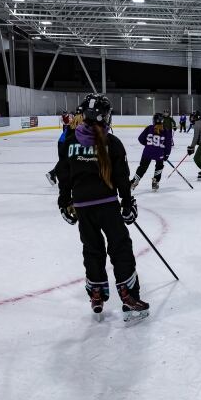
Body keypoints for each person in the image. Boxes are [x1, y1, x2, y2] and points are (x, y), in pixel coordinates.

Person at [55, 93, 149, 323]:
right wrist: (128, 204)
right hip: (107, 207)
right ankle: (129, 296)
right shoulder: (112, 143)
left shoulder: (69, 141)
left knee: (92, 249)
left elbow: (64, 176)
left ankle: (96, 294)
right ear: (105, 116)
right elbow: (121, 177)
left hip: (82, 208)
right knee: (121, 248)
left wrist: (64, 203)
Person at [131, 113, 173, 192]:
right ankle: (155, 182)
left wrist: (148, 145)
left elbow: (140, 139)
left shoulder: (149, 128)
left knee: (142, 167)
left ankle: (134, 181)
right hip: (159, 153)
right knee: (159, 166)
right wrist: (166, 154)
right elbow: (168, 144)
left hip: (148, 152)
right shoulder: (166, 131)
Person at [46, 109, 80, 185]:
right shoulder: (76, 124)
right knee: (66, 161)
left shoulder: (73, 123)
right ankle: (53, 174)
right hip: (64, 143)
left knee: (66, 161)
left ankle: (53, 174)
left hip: (63, 142)